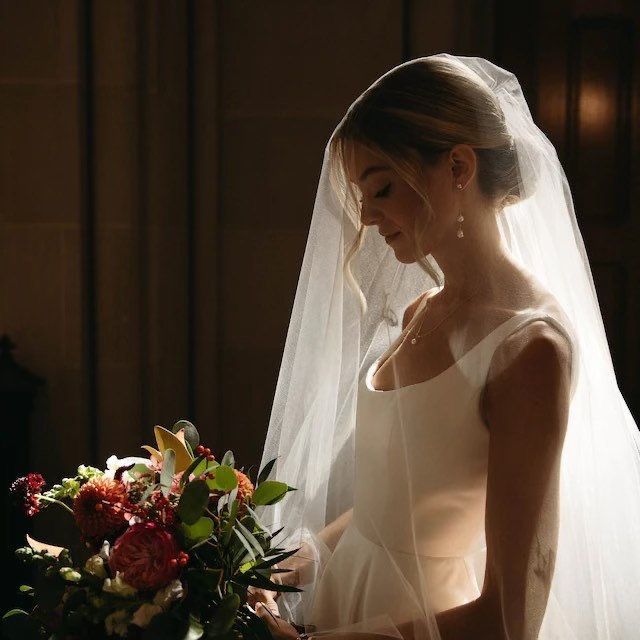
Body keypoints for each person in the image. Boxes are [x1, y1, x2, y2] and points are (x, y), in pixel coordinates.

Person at [248, 54, 640, 640]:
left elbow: (513, 617)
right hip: (346, 600)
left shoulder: (529, 348)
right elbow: (396, 503)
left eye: (380, 187)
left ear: (458, 166)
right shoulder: (418, 313)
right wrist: (282, 569)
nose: (367, 218)